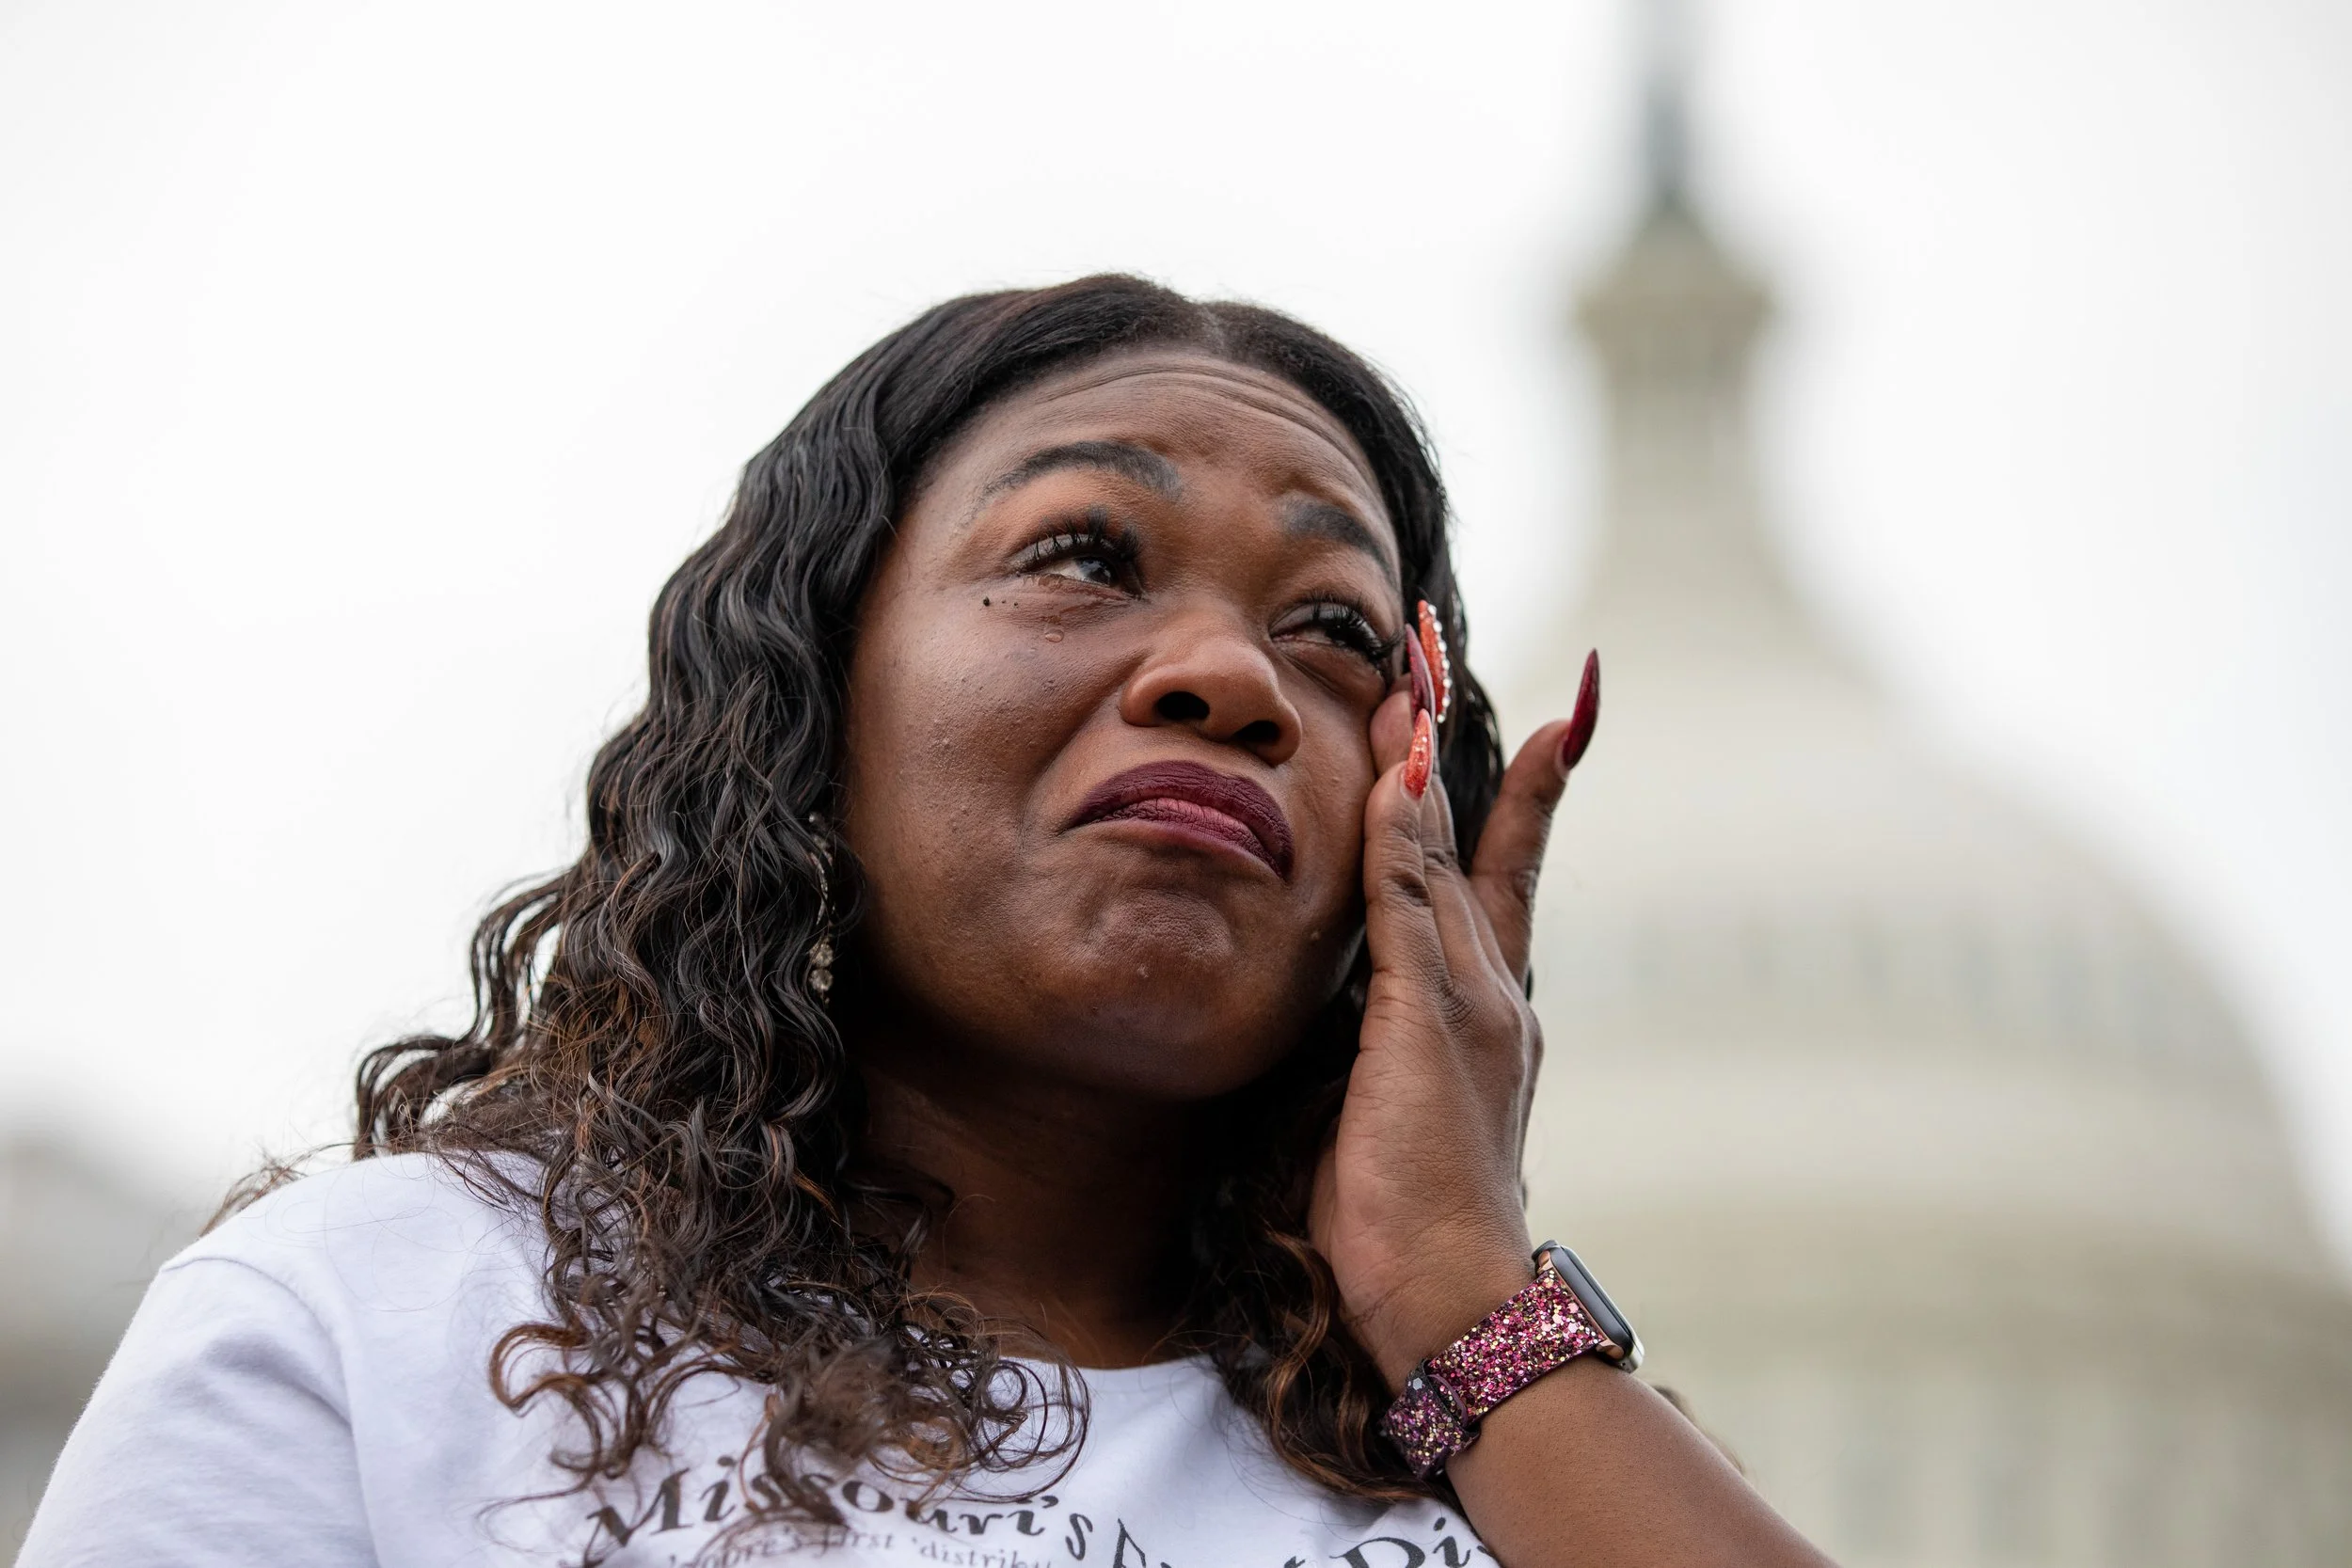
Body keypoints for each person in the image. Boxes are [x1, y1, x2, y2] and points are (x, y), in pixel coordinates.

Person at [23, 276, 1833, 1568]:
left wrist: (1462, 1296)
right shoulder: (375, 1325)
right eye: (1084, 555)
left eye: (1340, 633)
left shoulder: (1495, 1458)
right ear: (815, 694)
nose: (1229, 677)